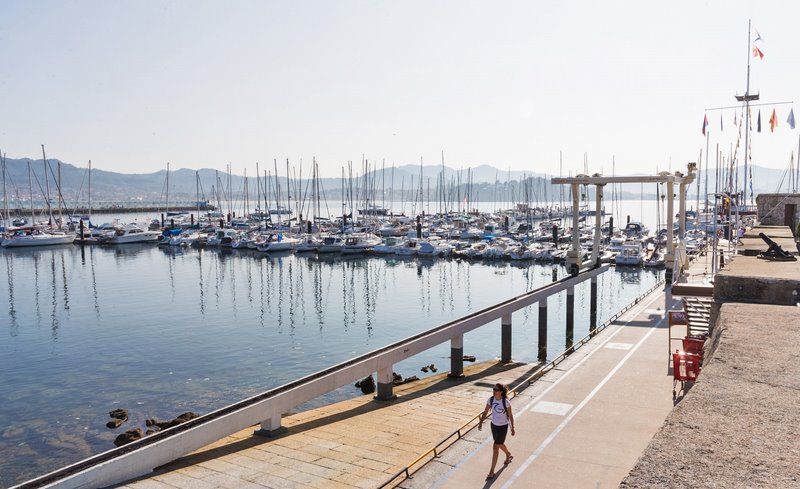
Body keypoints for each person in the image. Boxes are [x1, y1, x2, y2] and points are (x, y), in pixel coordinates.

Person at [478, 382, 515, 480]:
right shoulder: (491, 400)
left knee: (495, 447)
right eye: (493, 389)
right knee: (499, 444)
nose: (494, 391)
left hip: (503, 427)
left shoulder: (506, 402)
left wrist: (513, 427)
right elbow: (485, 411)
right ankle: (508, 454)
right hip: (493, 425)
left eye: (496, 390)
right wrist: (481, 422)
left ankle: (491, 471)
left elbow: (510, 415)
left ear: (501, 392)